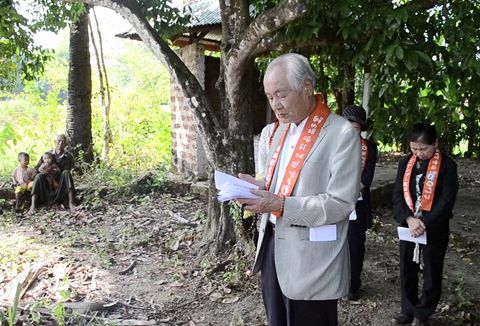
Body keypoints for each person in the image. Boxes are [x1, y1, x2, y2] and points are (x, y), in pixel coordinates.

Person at [237, 53, 361, 326]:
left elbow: (341, 203)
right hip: (272, 243)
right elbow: (281, 185)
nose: (275, 105)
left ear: (306, 87)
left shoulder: (341, 134)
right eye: (270, 97)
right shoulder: (280, 131)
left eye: (281, 94)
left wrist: (280, 205)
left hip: (312, 258)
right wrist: (255, 188)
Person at [392, 123, 458, 326]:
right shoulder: (405, 164)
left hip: (433, 226)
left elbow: (447, 201)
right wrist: (409, 219)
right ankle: (408, 309)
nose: (419, 153)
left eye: (424, 149)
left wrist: (424, 223)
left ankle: (423, 313)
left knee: (431, 269)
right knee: (406, 268)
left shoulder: (447, 166)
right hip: (409, 225)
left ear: (435, 144)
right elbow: (397, 195)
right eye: (414, 148)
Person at [341, 105, 378, 301]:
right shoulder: (331, 145)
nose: (351, 133)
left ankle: (353, 284)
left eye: (355, 129)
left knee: (355, 245)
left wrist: (347, 192)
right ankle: (335, 282)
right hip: (332, 202)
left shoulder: (369, 148)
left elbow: (367, 178)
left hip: (357, 201)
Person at [29, 134, 78, 214]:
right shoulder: (47, 155)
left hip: (61, 188)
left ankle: (71, 202)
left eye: (63, 142)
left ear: (66, 144)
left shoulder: (69, 157)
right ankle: (33, 205)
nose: (60, 144)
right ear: (54, 142)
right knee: (39, 175)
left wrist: (54, 170)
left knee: (66, 172)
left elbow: (67, 174)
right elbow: (36, 168)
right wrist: (40, 169)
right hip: (47, 188)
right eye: (58, 141)